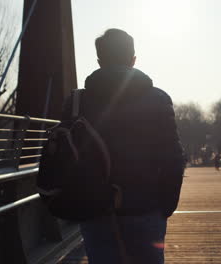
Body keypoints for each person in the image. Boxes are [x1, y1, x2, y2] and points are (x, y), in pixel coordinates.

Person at [62, 29, 185, 264]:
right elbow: (173, 159)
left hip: (96, 210)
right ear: (133, 59)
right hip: (146, 207)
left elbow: (64, 158)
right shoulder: (158, 99)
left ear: (99, 61)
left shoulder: (77, 102)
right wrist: (164, 207)